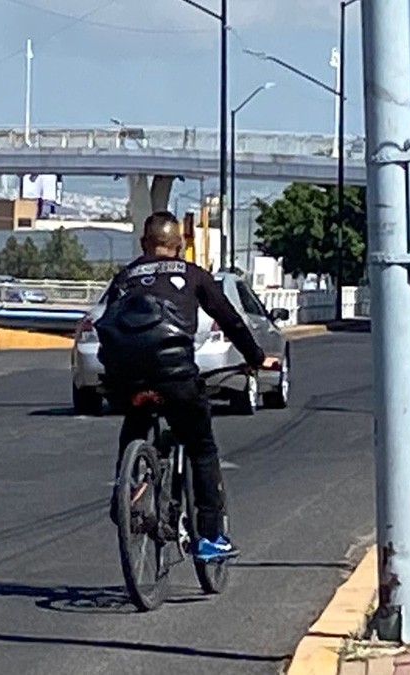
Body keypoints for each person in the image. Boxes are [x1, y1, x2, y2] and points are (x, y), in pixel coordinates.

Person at [95, 210, 277, 561]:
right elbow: (231, 321)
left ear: (143, 245)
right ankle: (209, 537)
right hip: (176, 377)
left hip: (128, 378)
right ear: (180, 246)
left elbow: (105, 323)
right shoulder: (194, 275)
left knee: (134, 425)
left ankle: (125, 490)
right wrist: (255, 358)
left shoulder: (125, 277)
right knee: (202, 449)